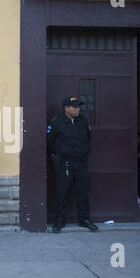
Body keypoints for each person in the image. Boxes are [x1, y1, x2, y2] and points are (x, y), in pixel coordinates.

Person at [47, 96, 98, 233]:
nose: (78, 109)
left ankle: (84, 219)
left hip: (81, 163)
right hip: (65, 163)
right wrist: (60, 154)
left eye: (78, 106)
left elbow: (88, 138)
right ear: (66, 108)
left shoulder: (83, 121)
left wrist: (84, 151)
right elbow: (50, 142)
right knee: (62, 193)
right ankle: (59, 221)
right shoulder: (57, 122)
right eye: (75, 107)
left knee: (83, 192)